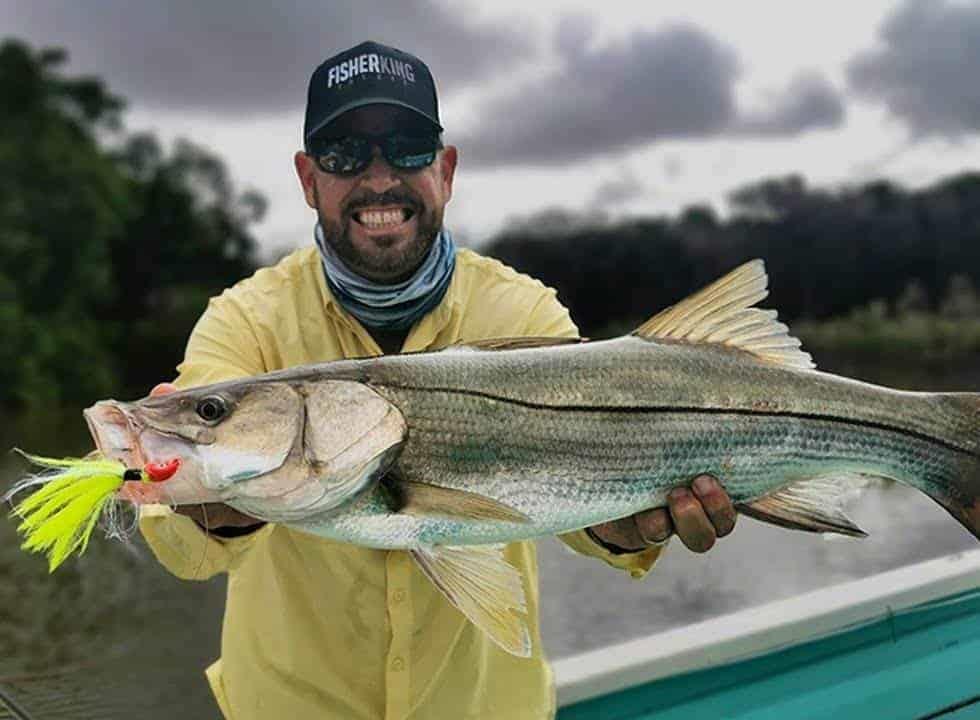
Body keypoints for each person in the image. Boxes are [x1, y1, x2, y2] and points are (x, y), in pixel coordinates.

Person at [142, 40, 736, 720]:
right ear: (308, 179)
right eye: (343, 154)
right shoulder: (244, 322)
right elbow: (184, 550)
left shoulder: (522, 312)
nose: (378, 178)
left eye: (408, 146)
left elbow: (589, 522)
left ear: (446, 169)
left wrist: (634, 528)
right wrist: (205, 506)